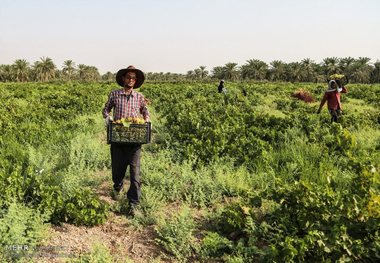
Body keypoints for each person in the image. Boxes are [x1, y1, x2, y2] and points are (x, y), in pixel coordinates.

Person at [102, 65, 150, 216]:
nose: (131, 80)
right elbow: (106, 109)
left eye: (133, 78)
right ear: (123, 78)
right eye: (128, 77)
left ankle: (133, 204)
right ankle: (118, 185)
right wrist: (107, 118)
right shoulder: (115, 94)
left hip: (135, 138)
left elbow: (145, 111)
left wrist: (148, 120)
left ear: (136, 81)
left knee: (135, 172)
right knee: (118, 170)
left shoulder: (140, 97)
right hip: (118, 137)